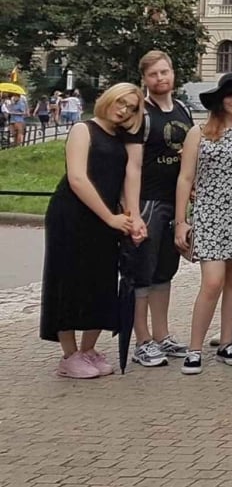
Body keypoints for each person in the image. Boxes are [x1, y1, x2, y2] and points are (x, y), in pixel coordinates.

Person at [40, 84, 147, 377]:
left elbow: (128, 178)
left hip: (106, 217)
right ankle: (69, 354)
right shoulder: (83, 129)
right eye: (121, 102)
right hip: (72, 215)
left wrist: (132, 216)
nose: (123, 109)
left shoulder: (122, 137)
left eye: (131, 107)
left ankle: (88, 349)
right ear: (109, 98)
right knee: (67, 280)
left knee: (100, 279)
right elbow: (77, 178)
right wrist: (110, 217)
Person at [173, 73, 232, 373]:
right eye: (231, 94)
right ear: (219, 98)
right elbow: (185, 177)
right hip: (210, 213)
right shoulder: (199, 133)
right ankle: (194, 348)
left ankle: (228, 342)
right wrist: (181, 221)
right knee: (212, 281)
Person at [128, 51, 194, 368]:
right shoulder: (142, 114)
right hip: (148, 201)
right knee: (142, 271)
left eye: (164, 72)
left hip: (174, 202)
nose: (160, 79)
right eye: (154, 74)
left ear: (173, 74)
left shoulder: (181, 109)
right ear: (145, 79)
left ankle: (162, 333)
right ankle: (141, 339)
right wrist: (132, 210)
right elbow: (132, 164)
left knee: (165, 271)